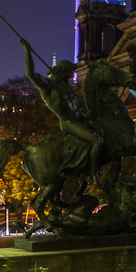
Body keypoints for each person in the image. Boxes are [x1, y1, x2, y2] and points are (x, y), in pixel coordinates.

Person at [21, 39, 103, 174]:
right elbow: (31, 74)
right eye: (69, 72)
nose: (71, 76)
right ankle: (94, 173)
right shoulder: (49, 85)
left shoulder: (66, 86)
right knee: (97, 141)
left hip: (80, 119)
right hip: (69, 122)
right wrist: (27, 52)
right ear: (62, 71)